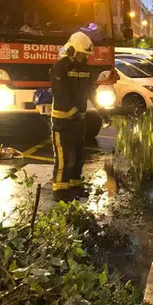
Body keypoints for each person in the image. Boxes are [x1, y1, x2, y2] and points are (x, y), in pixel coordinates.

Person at [50, 32, 96, 202]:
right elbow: (60, 92)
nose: (84, 57)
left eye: (86, 55)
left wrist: (103, 111)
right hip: (62, 122)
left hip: (78, 122)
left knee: (79, 156)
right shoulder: (60, 67)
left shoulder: (84, 68)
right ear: (72, 50)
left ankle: (75, 187)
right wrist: (72, 111)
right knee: (65, 157)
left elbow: (91, 91)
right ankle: (60, 191)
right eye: (82, 53)